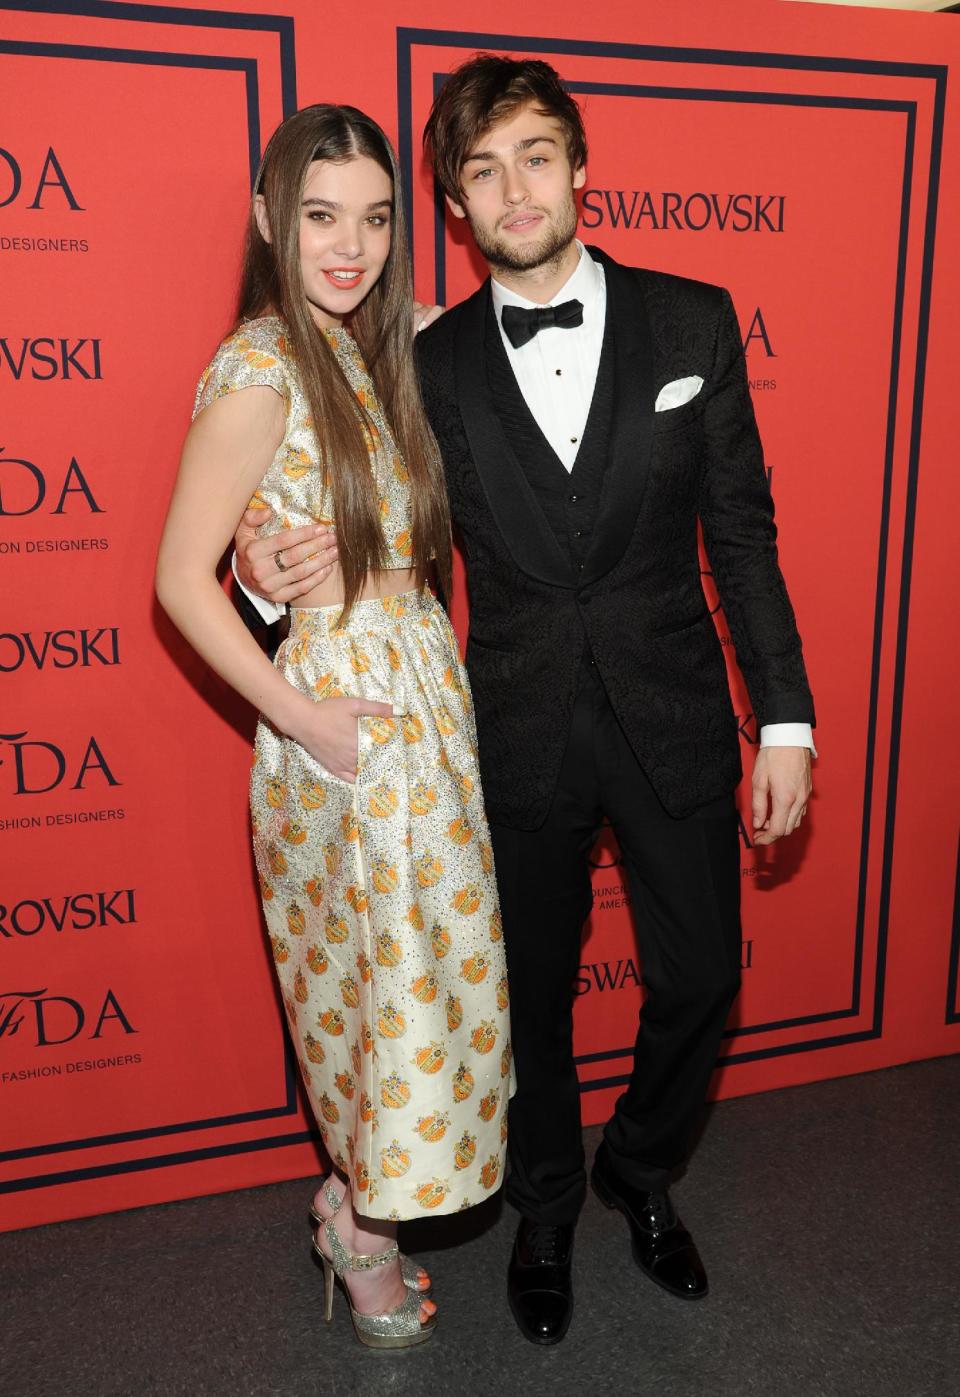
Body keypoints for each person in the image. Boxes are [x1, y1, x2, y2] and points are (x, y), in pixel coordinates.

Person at [235, 57, 815, 1347]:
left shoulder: (692, 320)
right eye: (482, 169)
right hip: (509, 728)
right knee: (531, 1000)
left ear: (580, 168)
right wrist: (263, 571)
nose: (515, 188)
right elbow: (355, 513)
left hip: (671, 716)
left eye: (536, 157)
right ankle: (547, 1204)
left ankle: (640, 1174)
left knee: (704, 978)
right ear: (453, 200)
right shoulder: (417, 359)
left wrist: (784, 717)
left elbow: (745, 535)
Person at [155, 102, 512, 1350]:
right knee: (383, 993)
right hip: (346, 730)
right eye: (318, 218)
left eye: (371, 218)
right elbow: (178, 579)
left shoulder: (392, 344)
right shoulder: (261, 367)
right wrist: (307, 717)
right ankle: (361, 1230)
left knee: (422, 986)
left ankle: (355, 1198)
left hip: (426, 704)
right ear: (269, 221)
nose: (347, 246)